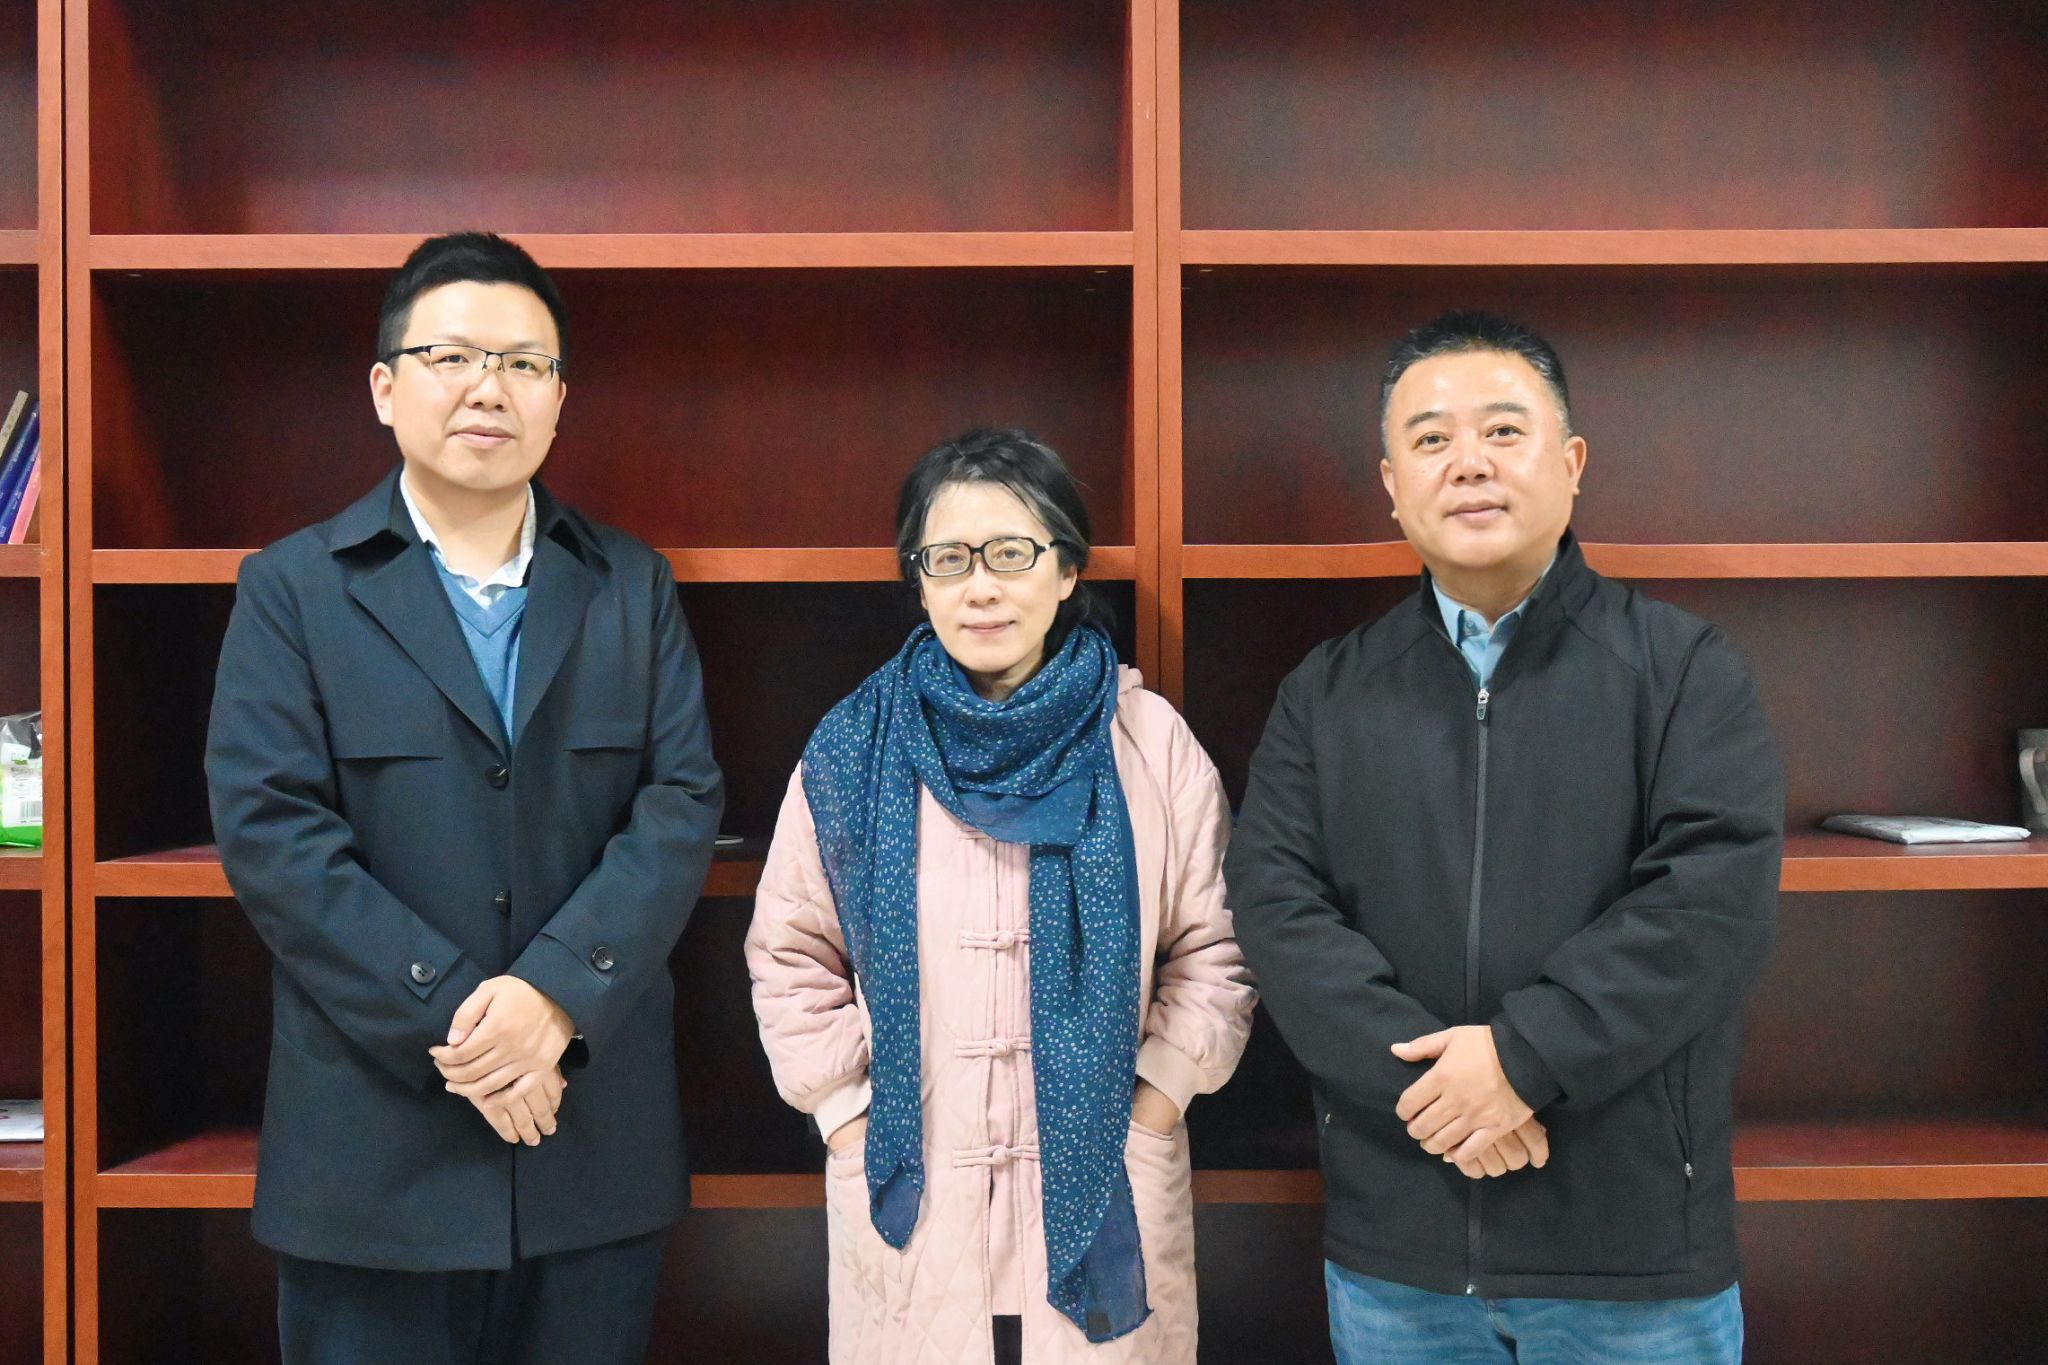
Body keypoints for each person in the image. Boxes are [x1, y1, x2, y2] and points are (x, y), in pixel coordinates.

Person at [204, 231, 724, 1365]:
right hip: (374, 1160)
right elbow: (273, 836)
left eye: (524, 364)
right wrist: (461, 1019)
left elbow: (680, 804)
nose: (490, 388)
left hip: (588, 1142)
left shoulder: (630, 584)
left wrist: (552, 997)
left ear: (558, 401)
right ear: (385, 387)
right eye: (451, 357)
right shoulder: (293, 589)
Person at [1227, 311, 1783, 1364]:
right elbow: (1277, 909)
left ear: (1570, 464)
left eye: (1502, 430)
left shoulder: (1682, 670)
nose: (1468, 462)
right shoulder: (1325, 693)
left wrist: (1523, 1061)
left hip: (1629, 1259)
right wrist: (1441, 1095)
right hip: (1399, 1258)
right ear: (1391, 485)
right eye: (1431, 439)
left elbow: (1708, 906)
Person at [746, 428, 1255, 1364]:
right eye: (949, 559)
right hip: (916, 1191)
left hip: (1108, 1174)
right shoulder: (853, 748)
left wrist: (1158, 1098)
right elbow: (791, 952)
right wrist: (847, 1117)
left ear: (1066, 569)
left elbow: (1217, 948)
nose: (981, 587)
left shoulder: (1149, 741)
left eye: (1012, 553)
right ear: (920, 581)